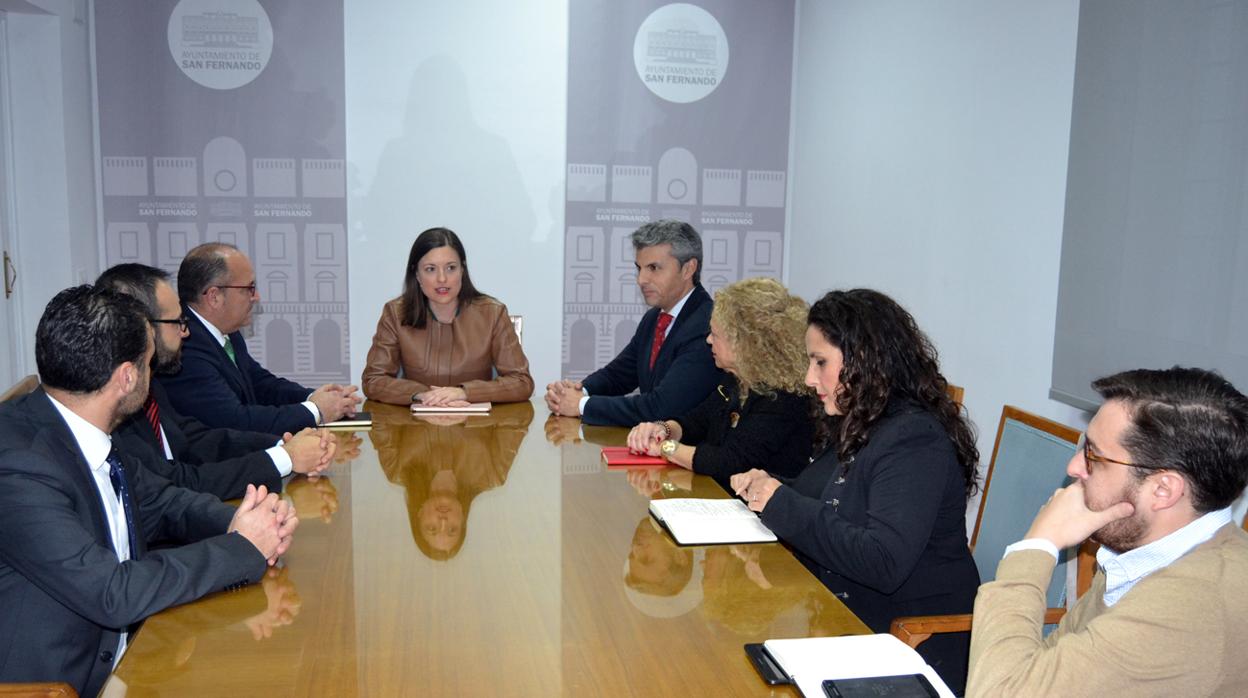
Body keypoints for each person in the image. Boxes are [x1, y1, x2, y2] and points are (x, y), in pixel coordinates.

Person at [0, 286, 297, 697]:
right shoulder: (17, 464)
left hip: (124, 656)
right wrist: (244, 547)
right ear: (127, 377)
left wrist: (238, 521)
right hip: (59, 684)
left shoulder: (81, 423)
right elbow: (113, 593)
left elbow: (161, 500)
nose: (152, 375)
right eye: (149, 364)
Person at [731, 289, 980, 693]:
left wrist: (781, 503)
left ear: (866, 360)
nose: (810, 379)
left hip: (910, 640)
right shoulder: (863, 417)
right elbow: (826, 496)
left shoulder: (913, 439)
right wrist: (770, 486)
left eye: (821, 362)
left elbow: (883, 561)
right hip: (848, 617)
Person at [966, 367, 1248, 697]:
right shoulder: (1144, 551)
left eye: (1093, 456)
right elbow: (1050, 662)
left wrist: (1036, 547)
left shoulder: (1193, 608)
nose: (1073, 467)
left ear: (1163, 490)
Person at [97, 263, 334, 499]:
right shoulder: (114, 402)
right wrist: (286, 457)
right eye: (176, 321)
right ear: (141, 327)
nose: (185, 331)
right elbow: (174, 482)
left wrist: (283, 446)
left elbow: (197, 439)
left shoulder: (152, 383)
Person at [625, 277, 812, 487]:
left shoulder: (783, 397)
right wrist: (663, 430)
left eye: (715, 335)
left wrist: (665, 449)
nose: (708, 340)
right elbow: (698, 421)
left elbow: (729, 461)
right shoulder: (737, 379)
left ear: (745, 344)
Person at [159, 242, 362, 434]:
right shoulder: (184, 346)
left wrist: (316, 398)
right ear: (214, 297)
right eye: (249, 288)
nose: (257, 297)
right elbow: (235, 421)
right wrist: (316, 410)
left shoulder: (226, 332)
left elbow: (261, 384)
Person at [545, 219, 722, 426]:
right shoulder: (655, 317)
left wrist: (582, 405)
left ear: (688, 269)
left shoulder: (707, 324)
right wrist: (577, 391)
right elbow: (619, 374)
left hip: (689, 452)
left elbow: (661, 407)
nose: (641, 279)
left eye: (653, 268)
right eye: (639, 268)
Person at [361, 227, 533, 406]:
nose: (442, 279)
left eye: (451, 268)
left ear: (462, 270)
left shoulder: (493, 313)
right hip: (416, 427)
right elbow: (373, 380)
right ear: (417, 275)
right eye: (430, 269)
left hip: (477, 428)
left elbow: (522, 382)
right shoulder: (395, 314)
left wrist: (464, 392)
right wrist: (422, 395)